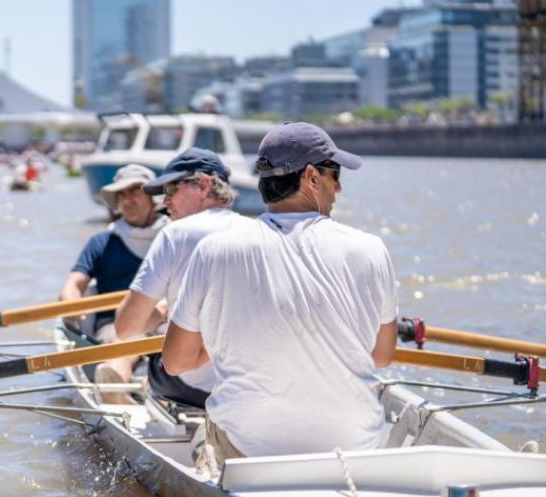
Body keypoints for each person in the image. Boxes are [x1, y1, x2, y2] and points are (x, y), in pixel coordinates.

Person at [163, 122, 398, 476]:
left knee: (209, 431)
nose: (339, 187)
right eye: (334, 174)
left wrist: (226, 336)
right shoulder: (371, 249)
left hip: (249, 447)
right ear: (311, 178)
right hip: (354, 446)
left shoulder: (213, 250)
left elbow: (176, 363)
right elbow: (381, 356)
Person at [113, 148, 250, 408]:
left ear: (204, 184)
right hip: (249, 385)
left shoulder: (174, 234)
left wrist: (163, 309)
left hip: (193, 387)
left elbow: (125, 327)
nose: (165, 201)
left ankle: (146, 390)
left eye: (172, 189)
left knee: (152, 349)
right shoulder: (259, 230)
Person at [60, 164, 170, 403]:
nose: (128, 200)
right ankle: (115, 384)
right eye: (122, 194)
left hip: (165, 318)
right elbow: (74, 284)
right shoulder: (102, 242)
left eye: (135, 191)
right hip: (115, 324)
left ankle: (161, 391)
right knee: (131, 335)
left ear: (153, 198)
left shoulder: (174, 236)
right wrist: (72, 304)